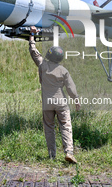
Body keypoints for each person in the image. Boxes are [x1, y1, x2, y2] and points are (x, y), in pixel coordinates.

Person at [28, 26, 80, 164]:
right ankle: (68, 152)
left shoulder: (42, 65)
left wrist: (32, 36)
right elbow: (71, 88)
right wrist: (76, 100)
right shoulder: (63, 70)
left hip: (47, 103)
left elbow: (33, 52)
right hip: (61, 103)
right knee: (66, 125)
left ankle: (52, 155)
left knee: (49, 128)